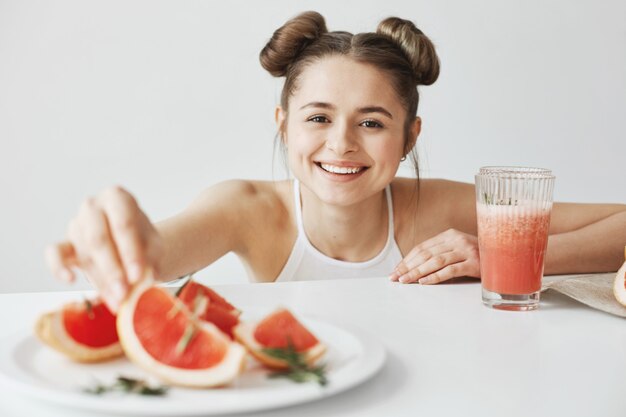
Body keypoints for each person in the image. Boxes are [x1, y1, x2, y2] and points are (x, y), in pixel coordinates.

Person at [45, 11, 626, 312]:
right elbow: (152, 254)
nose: (342, 144)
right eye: (318, 118)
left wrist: (495, 252)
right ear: (283, 124)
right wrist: (113, 238)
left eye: (372, 123)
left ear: (408, 137)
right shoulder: (245, 209)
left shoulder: (438, 207)